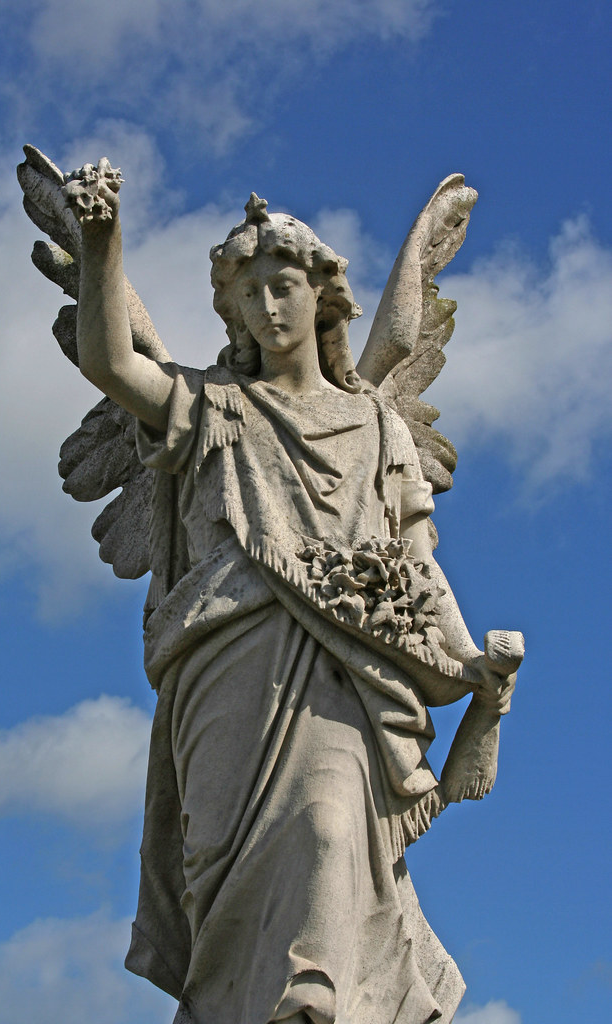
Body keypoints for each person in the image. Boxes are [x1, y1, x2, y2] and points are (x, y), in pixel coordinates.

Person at [74, 180, 513, 1024]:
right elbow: (112, 363)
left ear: (322, 295)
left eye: (283, 287)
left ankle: (313, 999)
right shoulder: (208, 406)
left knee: (328, 828)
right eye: (247, 295)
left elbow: (413, 565)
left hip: (343, 670)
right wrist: (103, 243)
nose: (267, 308)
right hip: (226, 661)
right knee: (220, 864)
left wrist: (464, 661)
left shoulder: (376, 427)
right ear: (230, 311)